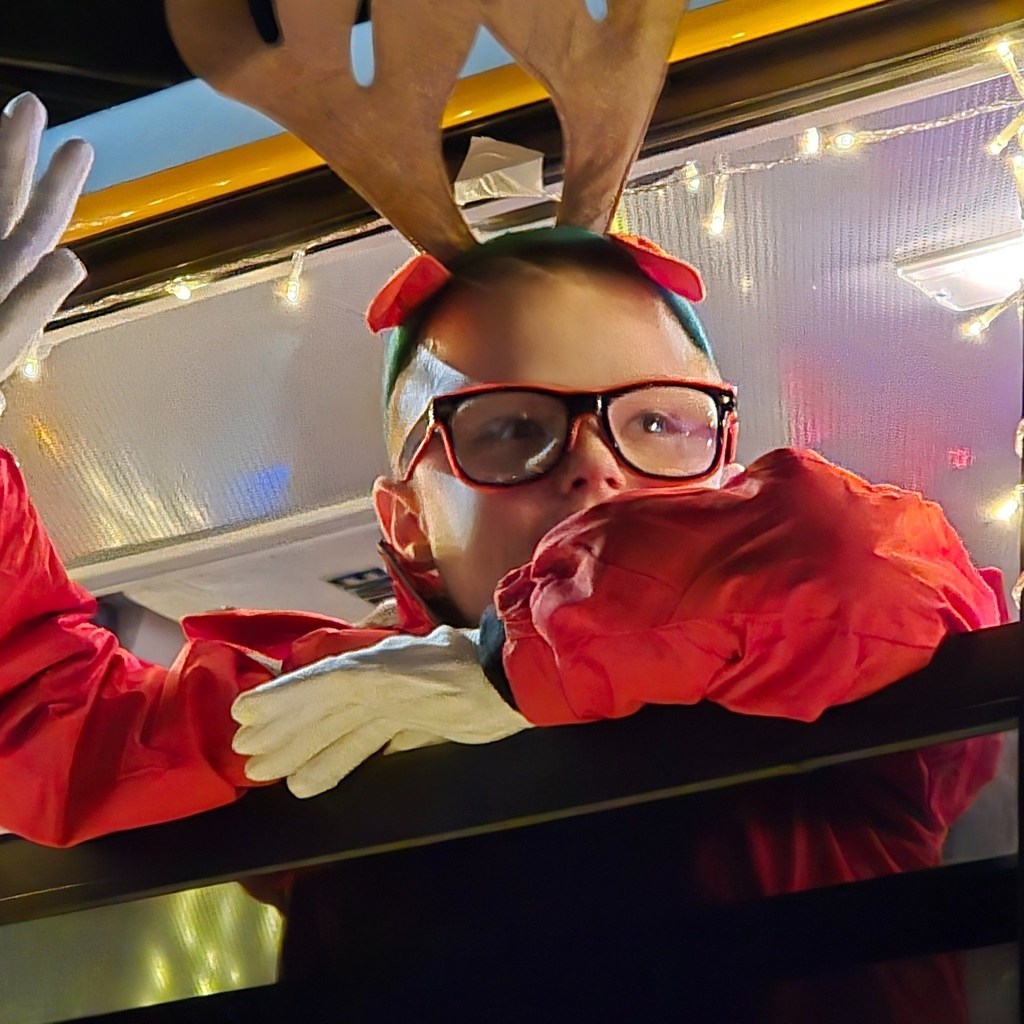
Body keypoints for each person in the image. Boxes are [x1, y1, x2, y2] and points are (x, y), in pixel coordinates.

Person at [0, 92, 1007, 856]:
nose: (595, 470)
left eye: (658, 421)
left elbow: (864, 565)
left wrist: (514, 662)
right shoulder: (325, 695)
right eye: (513, 428)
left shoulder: (835, 667)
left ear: (726, 465)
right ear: (406, 520)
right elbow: (47, 732)